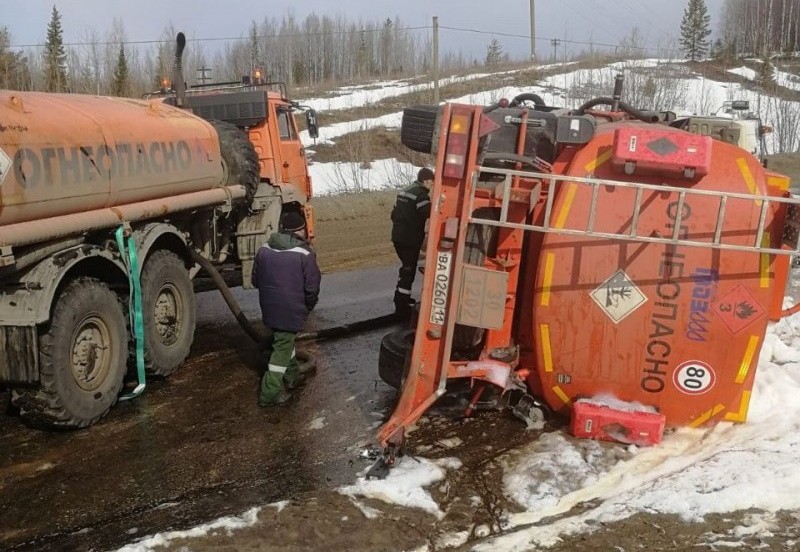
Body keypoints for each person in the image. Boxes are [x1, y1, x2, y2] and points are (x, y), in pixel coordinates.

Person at [252, 210, 321, 406]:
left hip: (269, 308)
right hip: (290, 309)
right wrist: (308, 306)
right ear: (300, 230)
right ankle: (269, 394)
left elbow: (255, 280)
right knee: (280, 351)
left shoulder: (264, 249)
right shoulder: (305, 253)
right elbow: (312, 287)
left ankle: (292, 378)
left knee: (284, 341)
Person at [391, 167, 434, 315]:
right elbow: (429, 213)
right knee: (408, 270)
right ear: (426, 181)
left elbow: (394, 214)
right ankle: (401, 305)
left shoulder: (405, 190)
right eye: (431, 183)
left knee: (405, 268)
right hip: (410, 238)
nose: (432, 186)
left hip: (397, 236)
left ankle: (403, 298)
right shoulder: (421, 195)